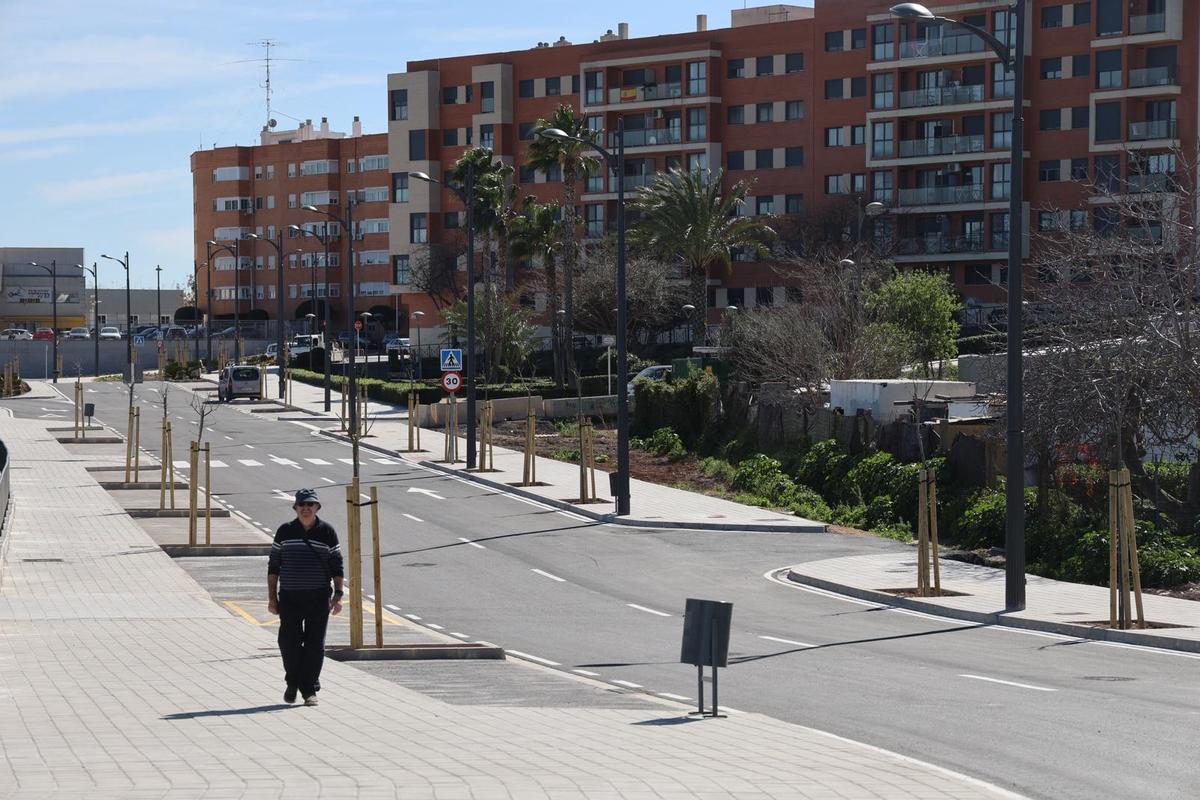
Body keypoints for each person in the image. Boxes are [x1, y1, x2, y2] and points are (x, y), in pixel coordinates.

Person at [268, 488, 344, 706]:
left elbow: (337, 565)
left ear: (317, 507)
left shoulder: (327, 532)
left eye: (310, 505)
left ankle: (308, 690)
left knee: (314, 644)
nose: (306, 508)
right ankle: (293, 682)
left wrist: (338, 595)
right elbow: (274, 566)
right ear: (295, 508)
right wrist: (272, 598)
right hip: (290, 596)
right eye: (302, 505)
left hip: (318, 596)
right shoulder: (284, 531)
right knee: (288, 642)